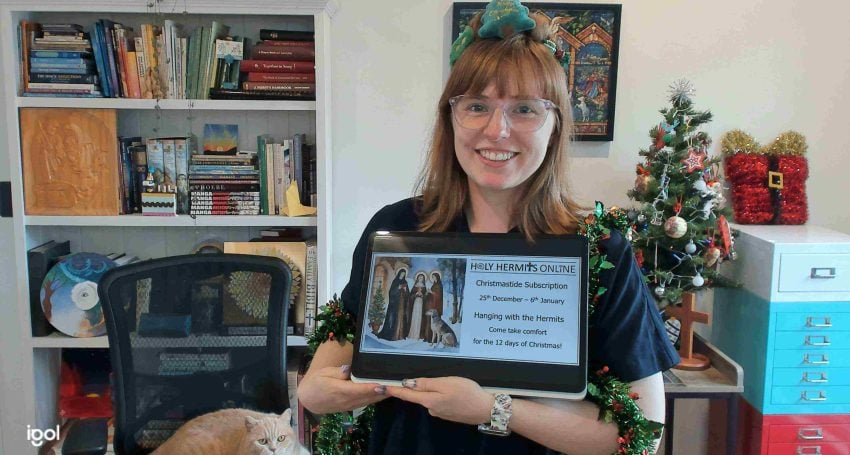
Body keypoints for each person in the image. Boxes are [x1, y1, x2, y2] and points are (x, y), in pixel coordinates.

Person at [297, 3, 679, 454]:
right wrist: (359, 388)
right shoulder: (398, 227)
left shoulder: (600, 252)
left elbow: (641, 435)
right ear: (450, 118)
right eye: (477, 106)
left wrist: (492, 408)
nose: (497, 131)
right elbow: (315, 391)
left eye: (523, 109)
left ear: (555, 126)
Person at [377, 269, 410, 341]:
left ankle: (400, 335)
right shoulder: (395, 281)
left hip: (402, 304)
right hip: (394, 304)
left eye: (404, 274)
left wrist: (405, 290)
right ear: (399, 274)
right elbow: (391, 292)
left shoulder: (405, 282)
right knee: (392, 318)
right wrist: (398, 288)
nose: (402, 275)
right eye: (401, 274)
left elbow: (408, 294)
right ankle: (391, 335)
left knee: (401, 319)